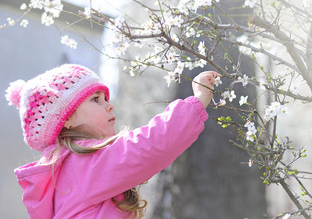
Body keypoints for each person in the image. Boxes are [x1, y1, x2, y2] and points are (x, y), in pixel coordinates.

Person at [5, 63, 220, 219]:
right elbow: (147, 146)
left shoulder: (66, 170)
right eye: (95, 99)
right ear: (66, 118)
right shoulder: (84, 163)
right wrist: (197, 101)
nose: (109, 105)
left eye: (106, 98)